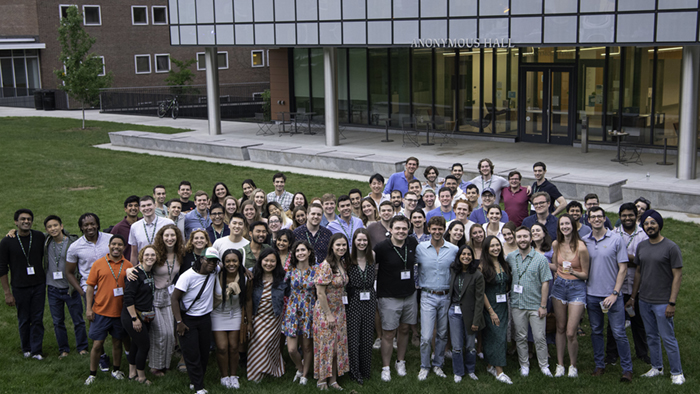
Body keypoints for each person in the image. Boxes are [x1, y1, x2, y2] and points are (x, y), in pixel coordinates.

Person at [627, 210, 685, 385]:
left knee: (668, 337)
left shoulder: (671, 247)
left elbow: (678, 276)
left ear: (659, 225)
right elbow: (638, 272)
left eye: (653, 223)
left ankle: (677, 372)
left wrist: (672, 302)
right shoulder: (642, 246)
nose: (649, 226)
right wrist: (633, 297)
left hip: (663, 302)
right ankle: (657, 367)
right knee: (651, 336)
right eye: (646, 223)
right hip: (644, 300)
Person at [583, 206, 633, 382]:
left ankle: (627, 369)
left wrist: (615, 293)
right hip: (591, 294)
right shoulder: (584, 241)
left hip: (612, 295)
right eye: (593, 217)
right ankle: (599, 365)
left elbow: (623, 268)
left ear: (604, 219)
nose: (596, 219)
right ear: (588, 220)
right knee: (596, 331)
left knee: (619, 332)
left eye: (599, 216)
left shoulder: (616, 238)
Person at [65, 212, 112, 371]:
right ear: (81, 227)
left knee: (118, 323)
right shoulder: (75, 247)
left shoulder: (109, 239)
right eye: (86, 225)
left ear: (97, 224)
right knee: (97, 325)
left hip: (113, 289)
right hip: (92, 291)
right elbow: (69, 272)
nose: (90, 227)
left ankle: (124, 353)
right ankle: (102, 356)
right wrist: (81, 291)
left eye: (92, 224)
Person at [84, 235, 133, 385]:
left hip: (119, 313)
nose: (116, 247)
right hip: (100, 311)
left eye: (119, 245)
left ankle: (116, 370)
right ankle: (92, 374)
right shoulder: (99, 264)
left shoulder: (129, 265)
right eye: (113, 244)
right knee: (97, 344)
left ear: (124, 247)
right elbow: (90, 287)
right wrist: (89, 309)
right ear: (109, 246)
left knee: (117, 343)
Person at [374, 216, 418, 382]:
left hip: (409, 294)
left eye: (404, 228)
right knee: (389, 332)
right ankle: (386, 367)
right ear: (390, 229)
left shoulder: (412, 243)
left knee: (405, 329)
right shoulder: (382, 247)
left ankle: (400, 361)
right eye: (397, 228)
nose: (401, 231)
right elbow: (370, 264)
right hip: (389, 296)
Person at [415, 216, 459, 381]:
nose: (437, 232)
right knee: (426, 336)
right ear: (429, 229)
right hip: (427, 295)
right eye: (434, 228)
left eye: (440, 229)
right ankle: (424, 366)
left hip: (446, 296)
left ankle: (438, 364)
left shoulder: (453, 249)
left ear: (444, 230)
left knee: (441, 333)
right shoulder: (420, 248)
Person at [171, 247, 220, 394]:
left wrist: (245, 270)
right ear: (201, 259)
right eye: (208, 260)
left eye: (214, 261)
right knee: (192, 353)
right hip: (188, 319)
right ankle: (199, 387)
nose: (211, 263)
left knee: (204, 352)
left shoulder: (215, 270)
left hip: (205, 318)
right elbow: (174, 298)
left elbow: (231, 265)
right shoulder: (187, 276)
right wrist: (179, 322)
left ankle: (195, 380)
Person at [506, 226, 553, 378]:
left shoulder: (540, 259)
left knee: (539, 337)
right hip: (517, 304)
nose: (522, 240)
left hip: (536, 305)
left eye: (525, 236)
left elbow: (546, 282)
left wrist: (543, 305)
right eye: (519, 237)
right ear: (515, 238)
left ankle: (544, 365)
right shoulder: (511, 257)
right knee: (520, 337)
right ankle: (524, 364)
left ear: (531, 238)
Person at [1, 209, 47, 360]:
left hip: (39, 284)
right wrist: (7, 292)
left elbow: (58, 235)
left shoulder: (39, 236)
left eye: (29, 219)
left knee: (37, 318)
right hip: (19, 286)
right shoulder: (7, 241)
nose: (26, 221)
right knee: (24, 318)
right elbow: (2, 268)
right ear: (16, 222)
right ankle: (26, 348)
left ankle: (36, 350)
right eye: (22, 219)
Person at [607, 203, 649, 366]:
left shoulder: (643, 235)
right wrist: (632, 259)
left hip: (636, 287)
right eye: (624, 215)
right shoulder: (613, 233)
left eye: (630, 215)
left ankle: (642, 353)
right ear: (620, 217)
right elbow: (611, 259)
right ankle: (611, 354)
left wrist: (624, 258)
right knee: (613, 323)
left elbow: (643, 260)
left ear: (636, 215)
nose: (627, 218)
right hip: (616, 287)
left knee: (638, 322)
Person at [42, 215, 88, 358]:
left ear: (61, 226)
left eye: (55, 225)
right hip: (53, 288)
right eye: (49, 227)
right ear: (46, 230)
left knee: (78, 320)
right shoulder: (45, 241)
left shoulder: (73, 242)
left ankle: (82, 347)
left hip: (70, 288)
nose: (53, 229)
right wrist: (12, 231)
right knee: (57, 322)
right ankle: (64, 349)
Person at [551, 214, 590, 378]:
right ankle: (560, 364)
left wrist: (574, 271)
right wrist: (540, 261)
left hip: (576, 288)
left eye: (567, 223)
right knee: (559, 328)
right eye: (562, 224)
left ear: (573, 226)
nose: (565, 226)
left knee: (570, 332)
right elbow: (555, 265)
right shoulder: (556, 244)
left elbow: (586, 274)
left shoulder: (581, 247)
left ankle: (572, 366)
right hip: (559, 287)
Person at [314, 233, 350, 390]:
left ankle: (333, 380)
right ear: (332, 247)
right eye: (338, 245)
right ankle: (322, 379)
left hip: (339, 309)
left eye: (344, 245)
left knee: (337, 347)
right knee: (325, 346)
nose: (341, 248)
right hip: (325, 311)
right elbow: (320, 293)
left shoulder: (341, 263)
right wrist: (328, 315)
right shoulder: (326, 265)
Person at [149, 224, 184, 376]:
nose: (170, 239)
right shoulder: (155, 253)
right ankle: (154, 366)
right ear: (161, 238)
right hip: (155, 295)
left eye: (172, 236)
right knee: (160, 332)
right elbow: (141, 266)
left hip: (171, 296)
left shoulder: (180, 253)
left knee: (170, 332)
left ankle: (165, 363)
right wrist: (130, 270)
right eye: (166, 236)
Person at [212, 249, 249, 389]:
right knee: (222, 347)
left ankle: (233, 376)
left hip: (235, 314)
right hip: (218, 314)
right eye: (228, 261)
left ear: (240, 263)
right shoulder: (215, 276)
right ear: (223, 262)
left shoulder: (244, 278)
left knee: (234, 347)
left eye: (235, 261)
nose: (231, 264)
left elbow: (248, 300)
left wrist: (248, 321)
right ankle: (224, 376)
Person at [448, 245, 484, 382]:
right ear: (459, 256)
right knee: (456, 345)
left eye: (469, 254)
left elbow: (480, 300)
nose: (466, 257)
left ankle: (470, 370)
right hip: (454, 311)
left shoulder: (477, 275)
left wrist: (476, 321)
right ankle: (458, 371)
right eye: (463, 254)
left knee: (470, 345)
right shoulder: (453, 270)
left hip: (470, 313)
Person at [122, 245, 158, 385]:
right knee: (144, 345)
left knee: (136, 344)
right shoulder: (135, 274)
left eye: (153, 255)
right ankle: (142, 376)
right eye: (147, 255)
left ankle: (132, 374)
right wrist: (134, 318)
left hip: (145, 315)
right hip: (132, 315)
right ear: (141, 256)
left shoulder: (149, 272)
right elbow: (128, 298)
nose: (150, 257)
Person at [480, 236, 513, 384]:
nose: (495, 248)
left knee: (497, 336)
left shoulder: (504, 264)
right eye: (492, 246)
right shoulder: (483, 267)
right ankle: (500, 371)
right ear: (486, 249)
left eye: (497, 245)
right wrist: (491, 311)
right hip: (490, 306)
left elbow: (506, 285)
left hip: (503, 306)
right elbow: (482, 292)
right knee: (497, 336)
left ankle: (490, 364)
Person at [283, 241, 317, 385]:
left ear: (309, 252)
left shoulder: (316, 270)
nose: (300, 253)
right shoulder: (290, 271)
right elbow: (281, 288)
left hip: (309, 309)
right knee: (291, 349)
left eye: (303, 250)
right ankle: (300, 367)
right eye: (297, 251)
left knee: (307, 346)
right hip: (293, 309)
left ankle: (304, 375)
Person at [346, 229, 376, 384]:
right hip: (354, 299)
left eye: (365, 240)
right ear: (354, 241)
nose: (362, 243)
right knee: (353, 336)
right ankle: (354, 371)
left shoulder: (372, 257)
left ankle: (365, 370)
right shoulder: (349, 259)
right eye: (359, 240)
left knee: (367, 335)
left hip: (370, 298)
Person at [128, 196, 175, 264]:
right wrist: (133, 269)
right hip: (144, 266)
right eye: (143, 206)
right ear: (140, 209)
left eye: (149, 205)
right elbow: (134, 254)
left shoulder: (168, 223)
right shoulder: (135, 227)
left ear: (155, 205)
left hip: (164, 265)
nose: (146, 208)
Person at [111, 195, 140, 260]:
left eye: (136, 205)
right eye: (130, 206)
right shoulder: (118, 228)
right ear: (125, 209)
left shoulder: (143, 223)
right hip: (125, 264)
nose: (133, 208)